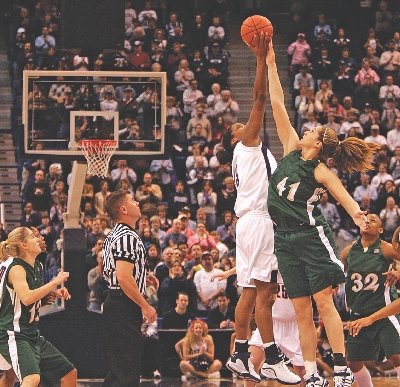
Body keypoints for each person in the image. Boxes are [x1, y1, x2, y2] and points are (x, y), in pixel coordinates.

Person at [266, 40, 380, 387]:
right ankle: (313, 373)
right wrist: (270, 63)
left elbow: (344, 196)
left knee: (325, 304)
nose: (306, 129)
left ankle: (342, 369)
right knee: (302, 309)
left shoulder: (318, 170)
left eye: (312, 130)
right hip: (283, 239)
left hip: (311, 237)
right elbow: (276, 105)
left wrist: (357, 213)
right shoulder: (289, 148)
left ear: (316, 144)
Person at [216, 33, 300, 385]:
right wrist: (260, 59)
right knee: (264, 293)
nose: (242, 123)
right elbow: (260, 98)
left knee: (248, 293)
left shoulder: (242, 153)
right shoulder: (247, 143)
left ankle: (237, 353)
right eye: (237, 126)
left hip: (246, 224)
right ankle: (273, 358)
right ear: (236, 138)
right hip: (260, 222)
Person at [0, 227, 76, 387]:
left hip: (32, 333)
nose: (38, 239)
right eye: (33, 236)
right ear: (24, 245)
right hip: (14, 333)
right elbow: (27, 298)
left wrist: (54, 292)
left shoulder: (37, 266)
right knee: (32, 378)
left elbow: (33, 297)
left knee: (69, 373)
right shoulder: (17, 268)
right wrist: (54, 282)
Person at [102, 190, 158, 387]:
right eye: (133, 201)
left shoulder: (113, 234)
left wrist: (143, 276)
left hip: (116, 302)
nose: (137, 203)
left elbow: (113, 270)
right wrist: (145, 305)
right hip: (123, 304)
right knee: (127, 369)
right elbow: (123, 277)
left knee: (119, 368)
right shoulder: (127, 237)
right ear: (123, 209)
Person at [341, 214, 400, 387]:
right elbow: (337, 271)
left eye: (372, 220)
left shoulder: (386, 248)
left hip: (384, 312)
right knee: (353, 363)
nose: (367, 221)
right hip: (358, 314)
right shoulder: (349, 251)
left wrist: (398, 272)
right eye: (365, 219)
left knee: (396, 356)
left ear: (380, 230)